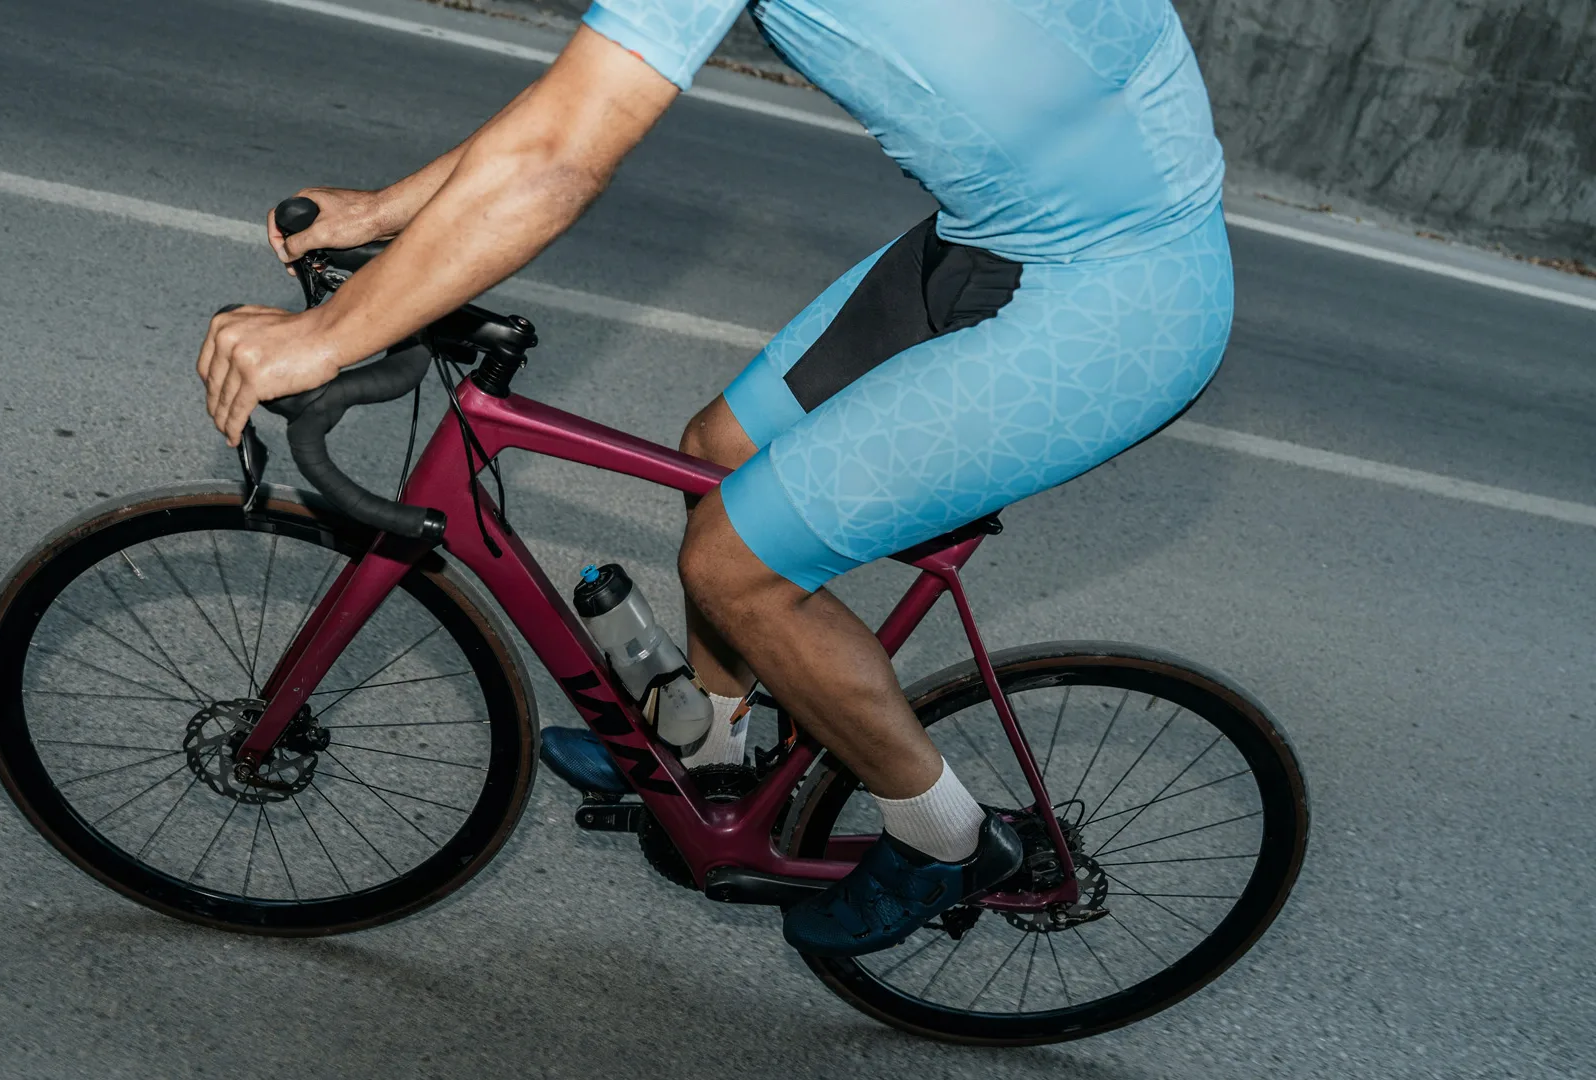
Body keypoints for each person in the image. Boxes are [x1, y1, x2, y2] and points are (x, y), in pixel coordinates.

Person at [195, 0, 1235, 957]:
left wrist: (329, 334)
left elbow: (559, 156)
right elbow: (570, 102)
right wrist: (389, 213)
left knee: (734, 564)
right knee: (719, 451)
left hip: (1116, 304)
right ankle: (710, 740)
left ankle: (947, 837)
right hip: (994, 244)